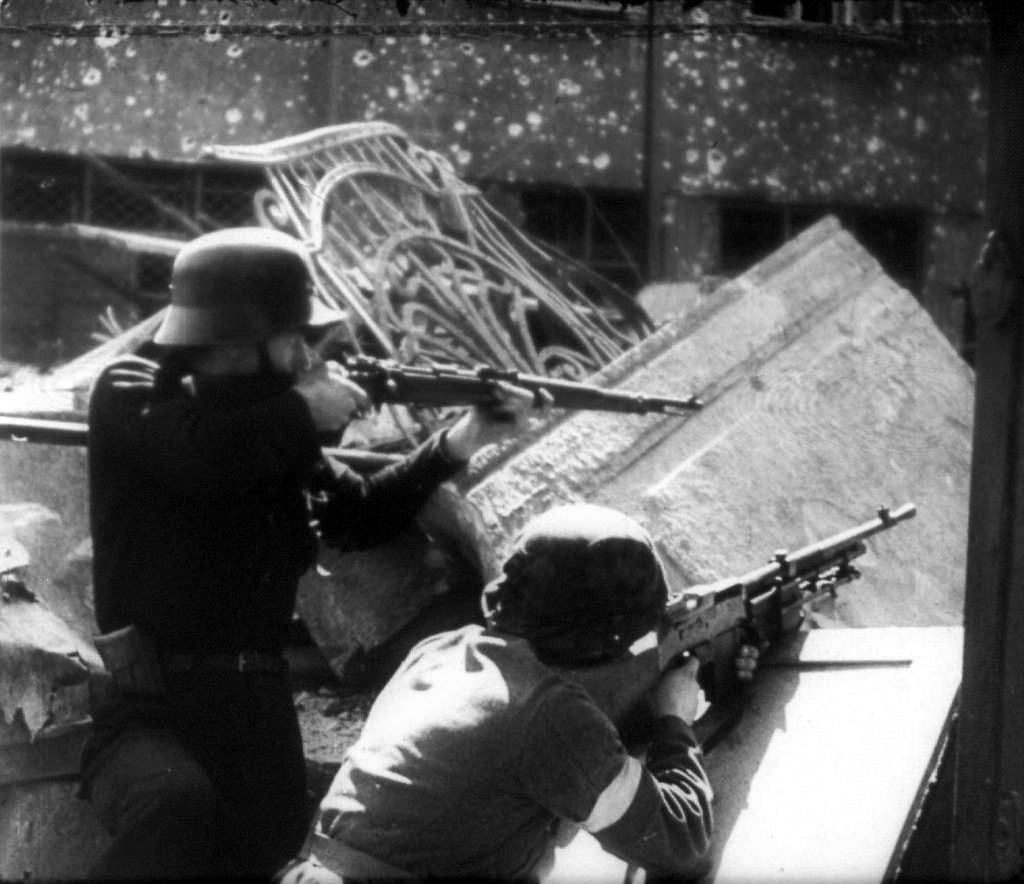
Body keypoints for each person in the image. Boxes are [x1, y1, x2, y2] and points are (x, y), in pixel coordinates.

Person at [79, 226, 538, 881]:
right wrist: (301, 410)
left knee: (268, 849)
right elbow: (201, 458)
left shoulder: (268, 425)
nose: (307, 355)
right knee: (174, 802)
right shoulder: (131, 388)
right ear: (238, 338)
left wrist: (459, 442)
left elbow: (357, 515)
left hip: (254, 701)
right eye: (295, 338)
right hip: (155, 701)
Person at [295, 503, 759, 883]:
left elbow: (527, 751)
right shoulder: (550, 714)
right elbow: (681, 844)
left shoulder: (443, 650)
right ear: (610, 636)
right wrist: (675, 720)